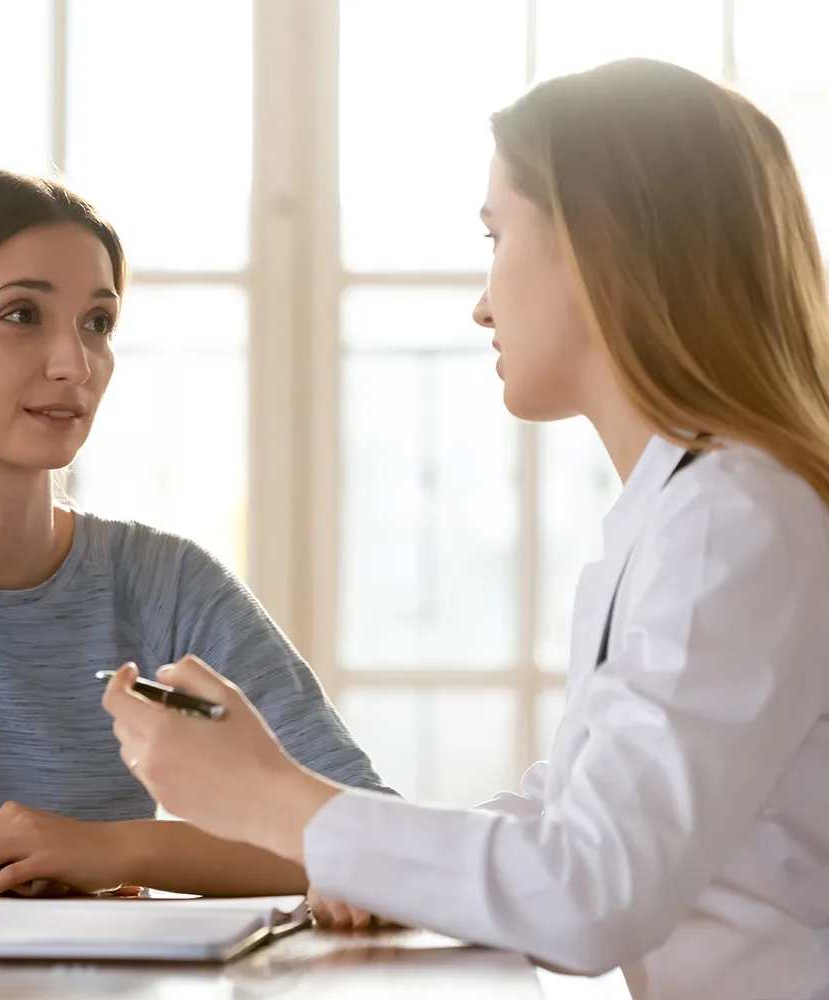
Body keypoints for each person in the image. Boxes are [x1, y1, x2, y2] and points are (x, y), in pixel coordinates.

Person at [102, 58, 829, 1000]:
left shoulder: (735, 515)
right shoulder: (691, 505)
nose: (482, 301)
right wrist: (381, 861)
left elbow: (592, 892)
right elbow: (581, 801)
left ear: (602, 247)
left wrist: (278, 800)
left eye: (496, 236)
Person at [0, 167, 387, 905]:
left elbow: (373, 838)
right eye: (22, 315)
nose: (76, 364)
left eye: (97, 323)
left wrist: (115, 848)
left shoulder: (166, 583)